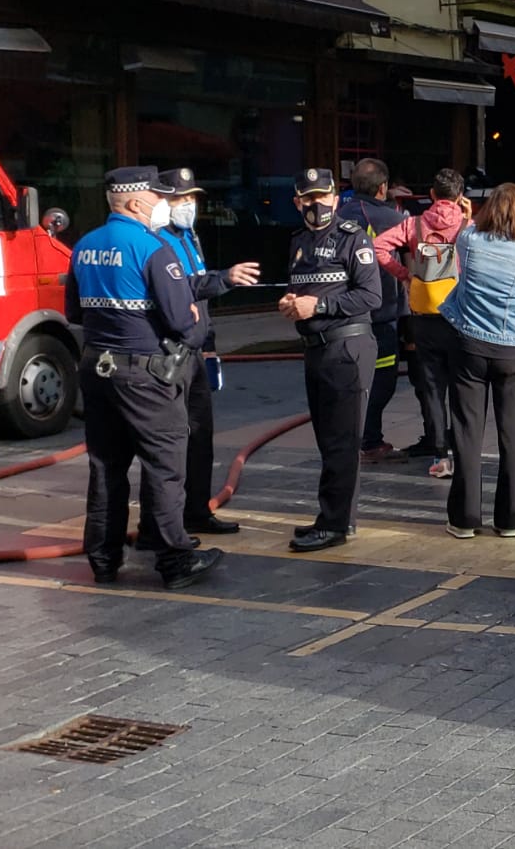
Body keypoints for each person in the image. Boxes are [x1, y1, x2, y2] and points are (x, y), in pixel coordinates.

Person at [65, 165, 222, 589]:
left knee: (106, 468)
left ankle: (102, 559)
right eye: (157, 198)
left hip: (98, 371)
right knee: (165, 467)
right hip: (146, 375)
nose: (163, 206)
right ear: (136, 202)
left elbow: (74, 314)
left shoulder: (84, 246)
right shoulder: (152, 248)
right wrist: (192, 321)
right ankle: (174, 560)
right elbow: (180, 320)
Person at [281, 167, 382, 552]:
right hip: (316, 348)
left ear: (335, 199)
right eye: (307, 198)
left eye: (322, 197)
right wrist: (292, 304)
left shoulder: (353, 239)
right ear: (297, 202)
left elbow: (371, 297)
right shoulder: (298, 241)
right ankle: (339, 516)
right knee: (328, 439)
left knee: (342, 439)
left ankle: (334, 524)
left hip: (347, 347)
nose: (315, 204)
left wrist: (319, 304)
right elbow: (301, 288)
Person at [155, 167, 260, 536]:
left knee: (201, 437)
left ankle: (197, 512)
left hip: (197, 351)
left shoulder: (189, 237)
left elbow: (199, 295)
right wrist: (224, 278)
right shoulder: (159, 241)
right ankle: (169, 522)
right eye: (179, 199)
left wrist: (211, 349)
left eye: (191, 198)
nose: (188, 206)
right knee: (174, 442)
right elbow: (182, 288)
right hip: (171, 354)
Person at [439, 184, 515, 540]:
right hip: (514, 350)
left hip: (469, 344)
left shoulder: (470, 243)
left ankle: (465, 519)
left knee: (467, 433)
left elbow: (464, 231)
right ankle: (510, 520)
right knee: (512, 436)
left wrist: (469, 212)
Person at [371, 168, 470, 479]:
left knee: (431, 387)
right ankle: (461, 448)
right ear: (460, 196)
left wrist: (405, 276)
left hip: (423, 317)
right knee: (461, 385)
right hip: (458, 316)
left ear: (431, 194)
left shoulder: (413, 224)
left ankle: (439, 451)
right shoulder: (468, 226)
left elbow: (378, 248)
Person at [338, 158, 410, 464]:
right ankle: (369, 440)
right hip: (380, 313)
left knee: (350, 378)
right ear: (382, 188)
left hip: (342, 313)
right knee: (382, 379)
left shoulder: (336, 214)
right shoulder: (391, 217)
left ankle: (348, 440)